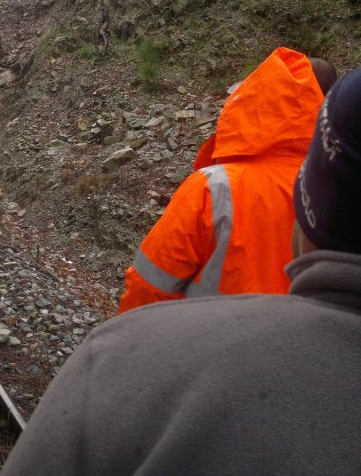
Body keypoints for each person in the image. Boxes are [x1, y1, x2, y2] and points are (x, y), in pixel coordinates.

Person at [0, 65, 361, 476]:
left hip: (200, 385)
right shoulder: (313, 190)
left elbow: (149, 287)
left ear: (249, 105)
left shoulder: (214, 186)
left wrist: (131, 362)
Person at [118, 47, 335, 313]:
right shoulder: (343, 192)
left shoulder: (212, 188)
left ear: (255, 101)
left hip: (204, 349)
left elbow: (149, 287)